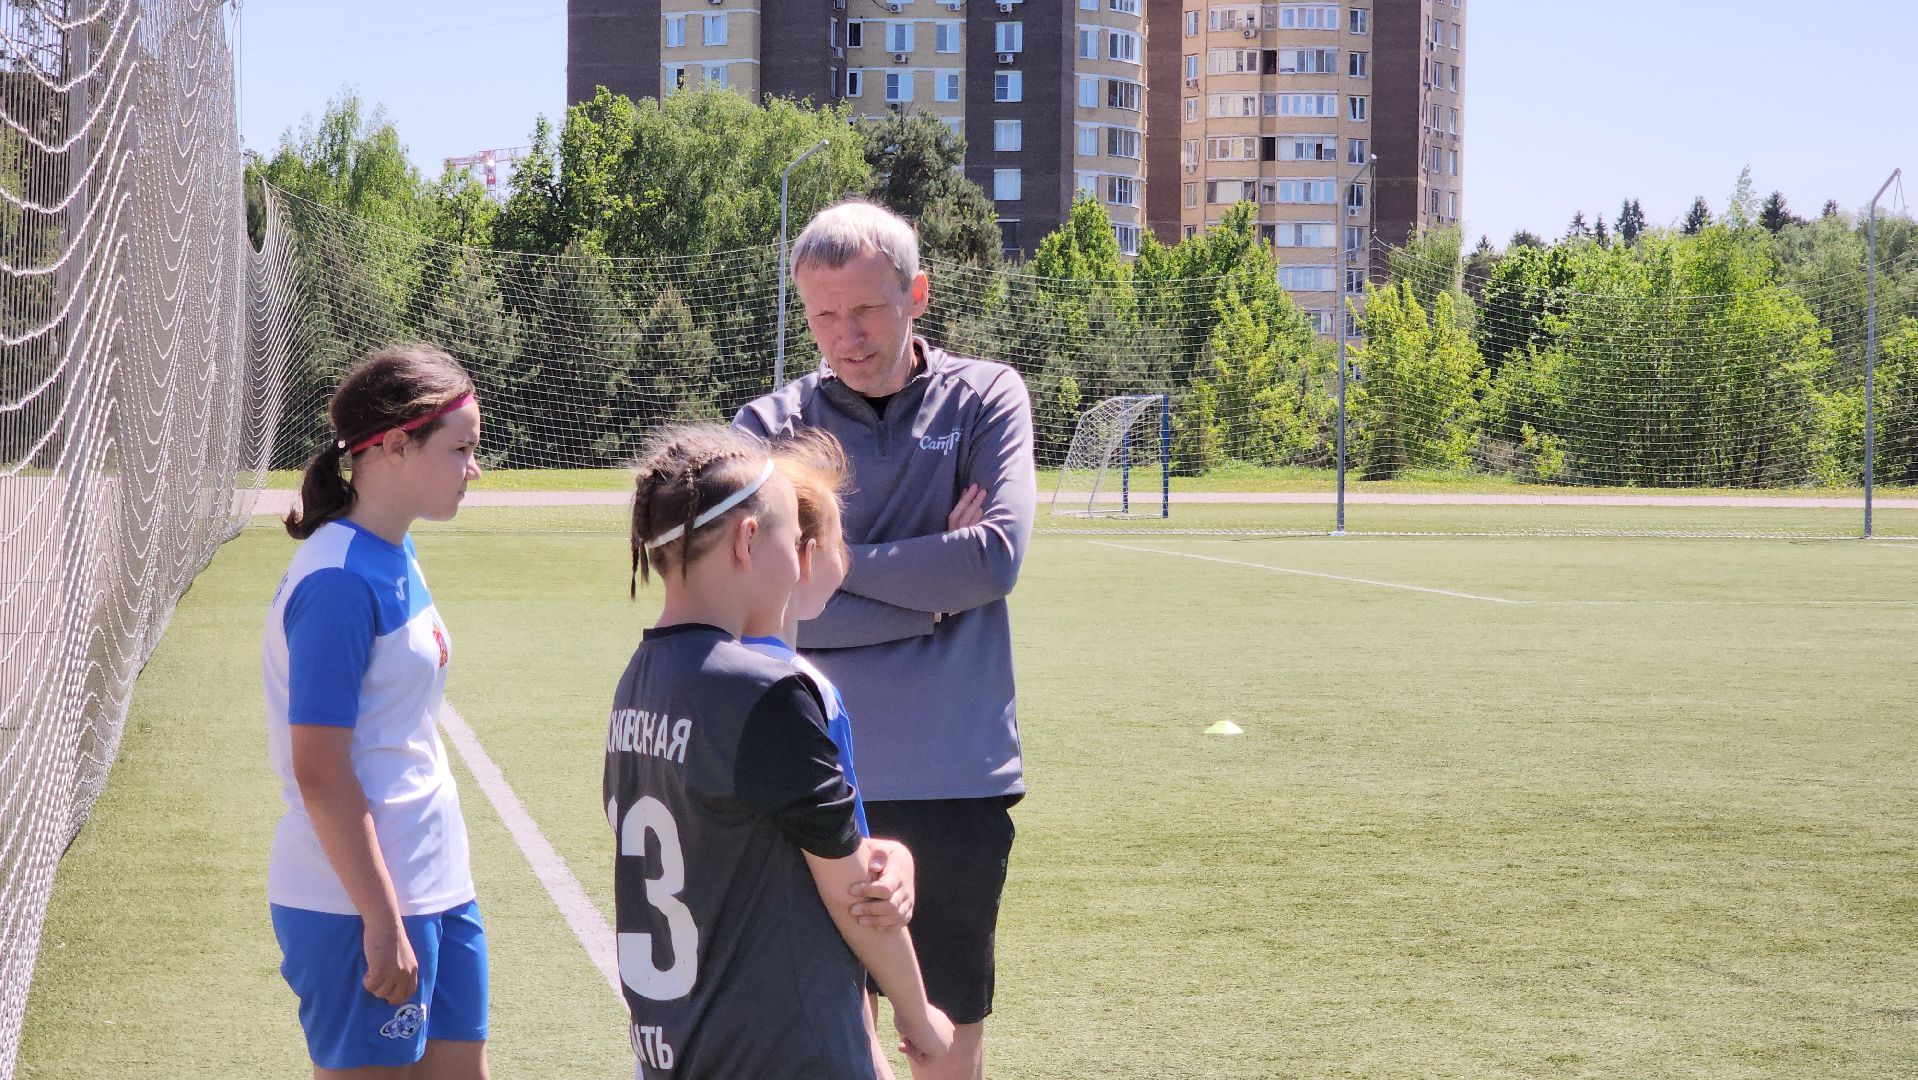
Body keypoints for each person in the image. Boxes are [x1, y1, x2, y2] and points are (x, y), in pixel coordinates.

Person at [735, 199, 1037, 1080]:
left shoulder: (986, 396)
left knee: (941, 1046)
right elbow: (756, 600)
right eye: (824, 314)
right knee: (831, 1047)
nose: (845, 335)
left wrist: (827, 566)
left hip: (957, 775)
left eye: (866, 309)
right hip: (811, 774)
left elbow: (993, 560)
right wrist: (931, 596)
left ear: (918, 294)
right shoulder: (768, 427)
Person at [605, 423, 953, 1080]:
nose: (798, 563)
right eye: (793, 542)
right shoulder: (765, 691)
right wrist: (916, 1015)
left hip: (680, 1049)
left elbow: (735, 841)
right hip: (781, 1051)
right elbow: (852, 894)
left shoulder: (639, 677)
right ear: (747, 541)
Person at [262, 344, 490, 1079]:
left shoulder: (396, 549)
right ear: (394, 445)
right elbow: (320, 771)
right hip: (356, 902)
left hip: (435, 884)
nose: (474, 468)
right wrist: (382, 919)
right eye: (461, 449)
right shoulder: (336, 581)